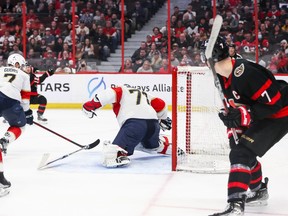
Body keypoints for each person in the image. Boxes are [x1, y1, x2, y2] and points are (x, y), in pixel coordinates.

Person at [201, 36, 288, 216]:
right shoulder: (221, 76)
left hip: (280, 113)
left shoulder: (245, 72)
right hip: (264, 113)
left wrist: (245, 115)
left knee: (241, 152)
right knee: (238, 148)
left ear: (210, 58)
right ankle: (258, 191)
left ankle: (235, 204)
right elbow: (238, 104)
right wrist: (231, 118)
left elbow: (274, 104)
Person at [82, 85, 172, 168]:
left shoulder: (122, 89)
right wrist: (163, 119)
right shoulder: (145, 94)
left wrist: (90, 105)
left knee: (110, 154)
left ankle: (118, 154)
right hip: (153, 125)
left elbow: (107, 94)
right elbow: (161, 104)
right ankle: (163, 145)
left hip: (134, 125)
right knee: (151, 145)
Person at [0, 53, 33, 197]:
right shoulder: (24, 76)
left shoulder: (0, 69)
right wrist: (27, 114)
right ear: (17, 64)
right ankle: (5, 140)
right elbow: (25, 99)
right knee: (20, 126)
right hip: (10, 103)